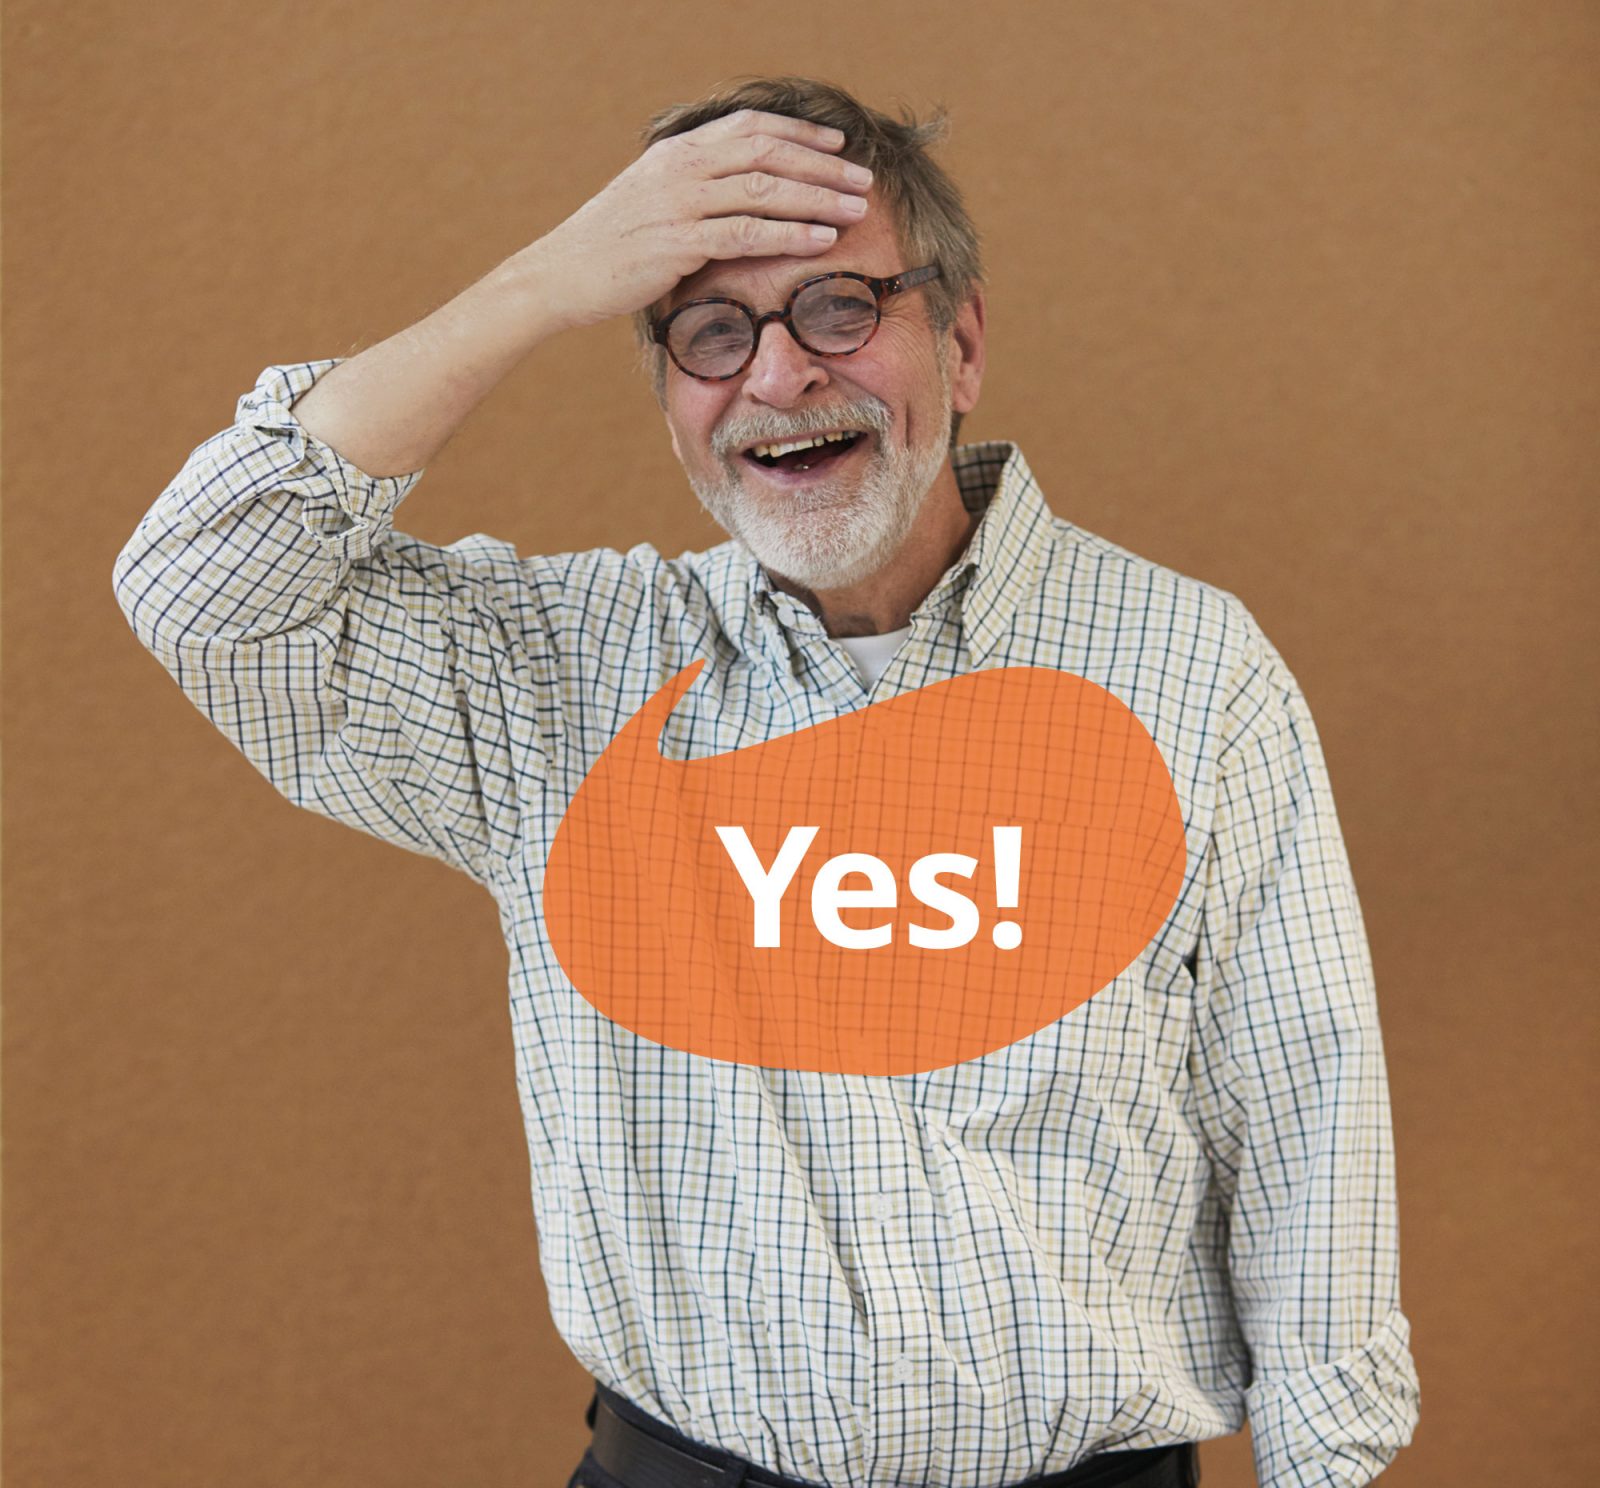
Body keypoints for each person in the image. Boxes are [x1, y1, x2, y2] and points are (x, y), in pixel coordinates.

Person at [111, 75, 1420, 1488]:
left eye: (841, 309)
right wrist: (545, 282)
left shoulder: (1190, 670)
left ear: (962, 339)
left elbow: (1306, 1134)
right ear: (668, 391)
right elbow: (202, 586)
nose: (780, 377)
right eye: (709, 332)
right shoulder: (561, 682)